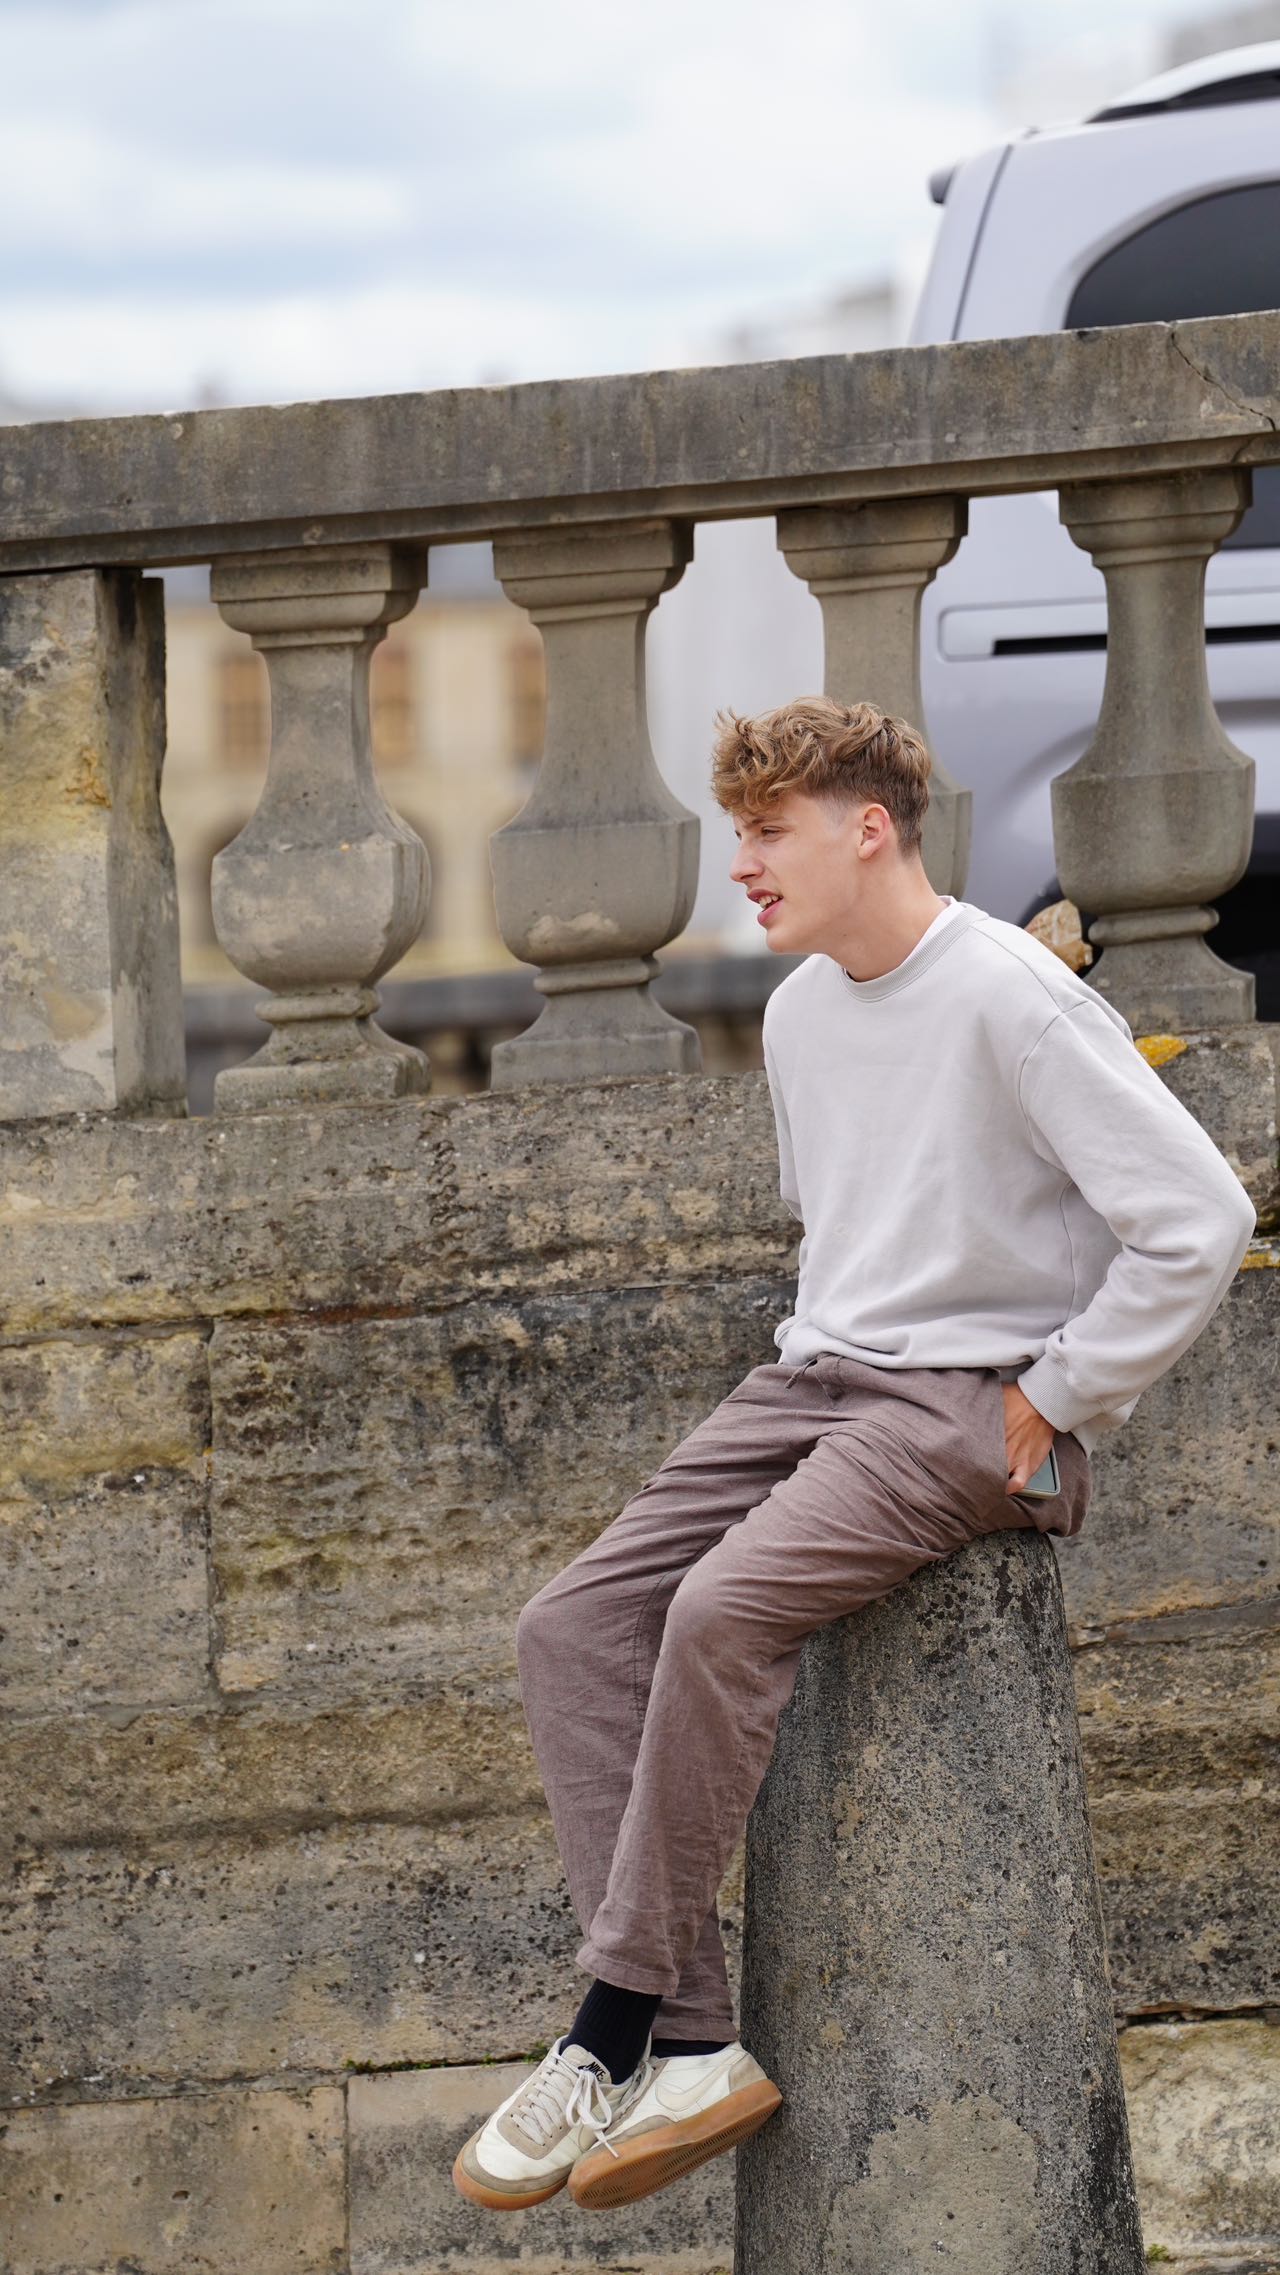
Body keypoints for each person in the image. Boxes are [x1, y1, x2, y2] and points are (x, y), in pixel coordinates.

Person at [453, 695, 1256, 2218]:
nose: (742, 864)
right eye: (740, 831)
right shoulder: (802, 1011)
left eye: (770, 831)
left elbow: (1201, 1218)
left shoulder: (1013, 996)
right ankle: (695, 2047)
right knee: (571, 1625)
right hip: (815, 1375)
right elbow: (840, 1232)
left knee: (720, 1612)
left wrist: (1061, 1395)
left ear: (868, 829)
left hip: (968, 1407)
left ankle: (608, 2027)